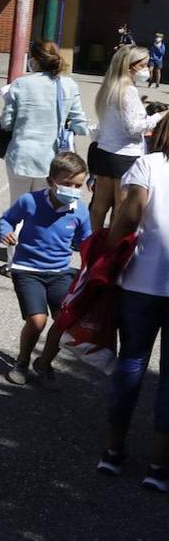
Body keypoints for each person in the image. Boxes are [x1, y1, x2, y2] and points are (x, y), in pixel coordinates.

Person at [98, 114, 169, 491]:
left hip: (141, 280)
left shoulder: (149, 165)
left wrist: (106, 257)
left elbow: (129, 215)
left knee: (131, 361)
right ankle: (158, 467)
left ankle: (113, 452)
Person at [0, 151, 91, 388]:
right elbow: (7, 219)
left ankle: (44, 363)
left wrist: (91, 266)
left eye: (78, 185)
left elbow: (86, 242)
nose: (73, 190)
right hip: (27, 269)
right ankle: (22, 361)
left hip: (60, 271)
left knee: (64, 321)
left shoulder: (80, 211)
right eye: (67, 184)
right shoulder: (29, 201)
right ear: (51, 181)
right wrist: (5, 232)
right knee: (37, 321)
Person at [0, 41, 90, 270]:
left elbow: (6, 123)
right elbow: (80, 124)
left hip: (20, 156)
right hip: (52, 161)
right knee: (46, 209)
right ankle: (40, 256)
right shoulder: (68, 85)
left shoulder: (20, 84)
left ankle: (13, 262)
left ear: (33, 60)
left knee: (18, 208)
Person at [89, 45, 165, 231]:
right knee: (120, 209)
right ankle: (112, 245)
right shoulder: (128, 90)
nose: (147, 70)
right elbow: (134, 128)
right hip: (125, 155)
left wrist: (138, 107)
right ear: (130, 66)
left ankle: (93, 241)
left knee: (99, 207)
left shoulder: (111, 86)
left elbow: (120, 117)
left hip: (105, 151)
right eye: (143, 65)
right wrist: (159, 116)